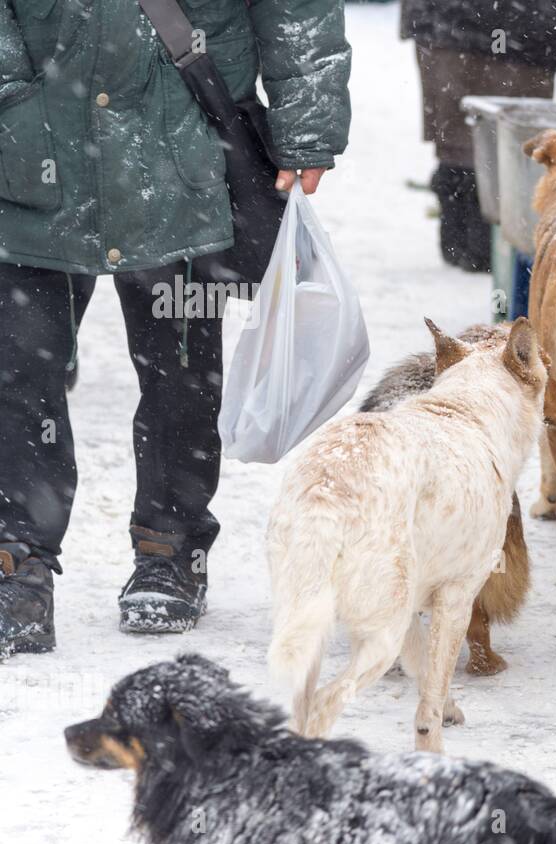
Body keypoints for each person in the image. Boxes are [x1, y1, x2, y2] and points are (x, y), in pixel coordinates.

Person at [0, 0, 352, 654]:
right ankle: (15, 558)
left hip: (181, 142)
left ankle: (172, 545)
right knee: (15, 370)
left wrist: (309, 119)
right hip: (28, 143)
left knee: (181, 372)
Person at [400, 0, 556, 273]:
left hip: (446, 20)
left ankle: (461, 239)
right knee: (510, 143)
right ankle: (491, 249)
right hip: (523, 28)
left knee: (458, 135)